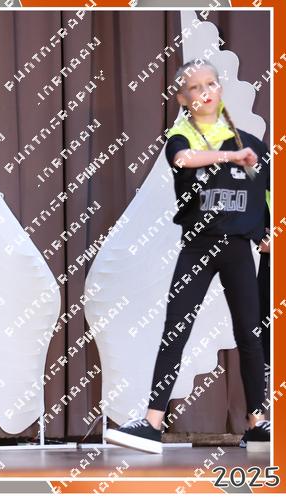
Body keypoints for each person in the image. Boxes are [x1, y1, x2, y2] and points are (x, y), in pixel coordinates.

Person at [104, 61, 271, 454]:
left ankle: (257, 422)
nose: (205, 92)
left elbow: (265, 194)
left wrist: (267, 232)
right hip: (197, 246)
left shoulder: (251, 144)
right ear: (183, 98)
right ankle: (152, 423)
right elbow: (184, 160)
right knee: (175, 330)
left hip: (237, 249)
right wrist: (229, 157)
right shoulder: (181, 138)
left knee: (250, 334)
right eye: (195, 87)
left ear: (220, 89)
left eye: (211, 83)